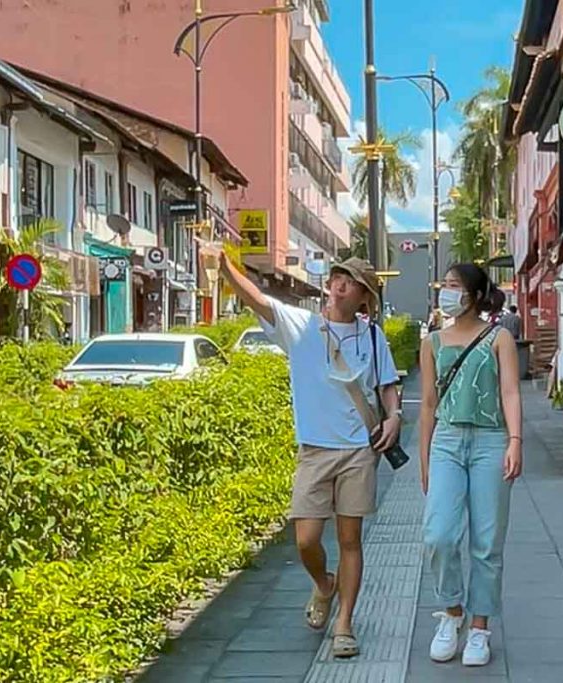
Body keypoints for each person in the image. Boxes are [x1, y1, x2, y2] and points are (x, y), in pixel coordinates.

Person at [219, 253, 402, 659]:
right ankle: (323, 584)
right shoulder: (300, 326)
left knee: (351, 539)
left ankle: (344, 624)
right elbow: (257, 299)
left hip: (358, 449)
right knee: (306, 541)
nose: (341, 284)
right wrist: (224, 267)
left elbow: (387, 385)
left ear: (364, 298)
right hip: (315, 450)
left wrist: (394, 417)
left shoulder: (372, 337)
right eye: (338, 276)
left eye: (351, 282)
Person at [418, 263, 523, 668]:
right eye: (444, 285)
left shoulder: (499, 338)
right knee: (439, 534)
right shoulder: (432, 342)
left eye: (455, 286)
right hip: (446, 441)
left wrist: (515, 440)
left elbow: (510, 392)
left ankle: (479, 628)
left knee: (486, 540)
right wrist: (425, 458)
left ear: (476, 295)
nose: (447, 292)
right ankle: (451, 613)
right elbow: (427, 404)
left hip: (491, 440)